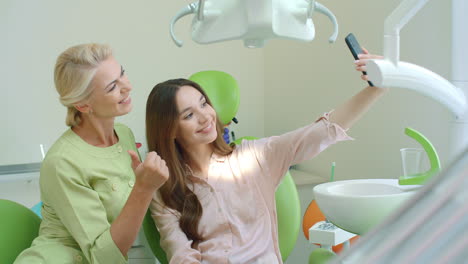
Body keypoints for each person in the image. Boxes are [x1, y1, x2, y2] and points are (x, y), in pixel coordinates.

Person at [145, 50, 385, 264]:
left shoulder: (254, 157)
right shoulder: (166, 188)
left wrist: (377, 88)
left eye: (204, 104)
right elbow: (179, 252)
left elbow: (320, 132)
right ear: (170, 130)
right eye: (188, 115)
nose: (205, 116)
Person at [14, 43, 169, 264]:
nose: (128, 87)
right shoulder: (62, 162)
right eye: (112, 86)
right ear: (83, 105)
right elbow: (104, 258)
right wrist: (143, 187)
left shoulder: (124, 135)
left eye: (122, 73)